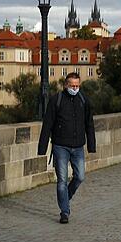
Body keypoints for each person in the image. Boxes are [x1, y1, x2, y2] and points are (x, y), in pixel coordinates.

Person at [37, 72, 96, 224]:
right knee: (62, 180)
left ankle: (65, 198)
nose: (75, 88)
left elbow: (89, 123)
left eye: (77, 86)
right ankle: (65, 211)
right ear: (65, 85)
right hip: (60, 146)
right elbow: (47, 124)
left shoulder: (84, 100)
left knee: (80, 177)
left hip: (78, 146)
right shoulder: (56, 100)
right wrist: (42, 148)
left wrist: (91, 145)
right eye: (72, 86)